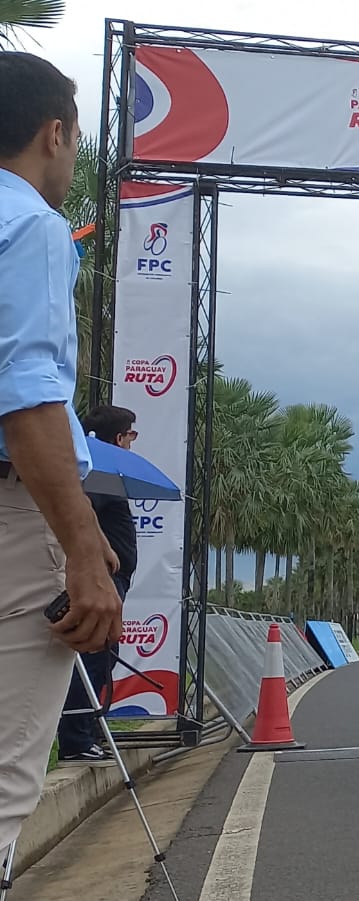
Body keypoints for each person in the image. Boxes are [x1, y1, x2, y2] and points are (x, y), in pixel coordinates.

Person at [0, 52, 124, 854]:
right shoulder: (32, 225)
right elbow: (27, 397)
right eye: (76, 142)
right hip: (14, 516)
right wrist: (83, 547)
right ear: (54, 134)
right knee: (8, 769)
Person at [56, 405, 140, 763]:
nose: (133, 443)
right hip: (102, 579)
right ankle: (76, 739)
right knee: (94, 655)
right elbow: (84, 514)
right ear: (119, 437)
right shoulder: (99, 471)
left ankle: (87, 733)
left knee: (102, 656)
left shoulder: (100, 471)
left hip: (113, 578)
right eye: (131, 435)